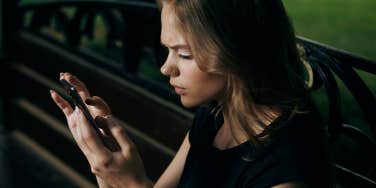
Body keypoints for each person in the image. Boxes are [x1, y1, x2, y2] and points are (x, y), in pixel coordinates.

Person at [50, 0, 333, 187]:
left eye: (184, 54)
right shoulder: (214, 117)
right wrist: (107, 162)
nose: (165, 68)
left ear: (237, 52)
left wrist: (131, 184)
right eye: (167, 50)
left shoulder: (289, 163)